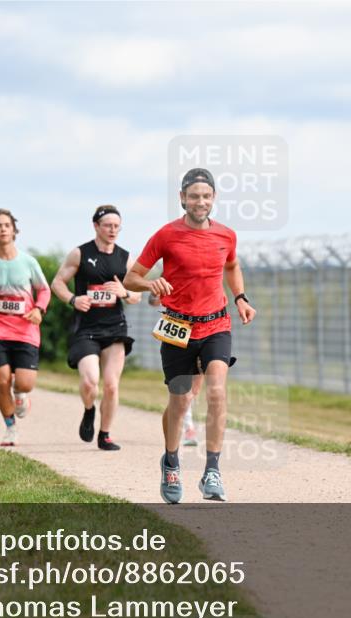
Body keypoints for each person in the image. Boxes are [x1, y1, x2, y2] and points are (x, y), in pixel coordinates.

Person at [124, 168, 256, 503]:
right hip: (177, 326)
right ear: (182, 198)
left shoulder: (226, 235)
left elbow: (231, 265)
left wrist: (239, 297)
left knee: (216, 392)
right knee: (181, 401)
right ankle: (171, 461)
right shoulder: (166, 236)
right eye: (194, 196)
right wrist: (150, 282)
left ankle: (212, 469)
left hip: (216, 324)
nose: (201, 201)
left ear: (214, 199)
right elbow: (131, 278)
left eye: (207, 196)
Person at [51, 204, 142, 451]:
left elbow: (137, 295)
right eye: (108, 226)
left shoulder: (124, 257)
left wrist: (124, 292)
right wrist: (72, 299)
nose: (113, 230)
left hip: (115, 329)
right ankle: (89, 409)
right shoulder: (80, 254)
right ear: (96, 226)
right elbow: (58, 282)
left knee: (111, 385)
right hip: (87, 328)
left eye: (117, 226)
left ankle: (105, 435)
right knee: (91, 382)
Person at [0, 209, 51, 447]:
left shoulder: (28, 262)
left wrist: (39, 310)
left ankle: (21, 395)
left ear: (14, 230)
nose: (3, 229)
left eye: (7, 225)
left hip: (25, 330)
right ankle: (10, 427)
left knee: (24, 383)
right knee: (2, 379)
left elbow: (44, 290)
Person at [150, 292, 202, 447]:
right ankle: (188, 428)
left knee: (193, 391)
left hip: (204, 331)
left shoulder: (210, 271)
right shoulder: (170, 271)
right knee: (182, 392)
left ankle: (180, 417)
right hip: (178, 328)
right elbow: (152, 301)